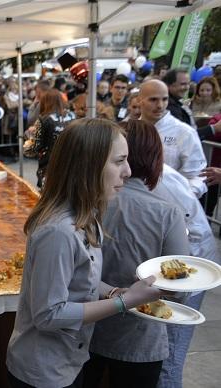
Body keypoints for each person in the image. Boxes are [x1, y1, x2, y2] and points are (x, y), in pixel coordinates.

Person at [6, 118, 162, 388]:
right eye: (119, 161)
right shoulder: (58, 232)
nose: (128, 171)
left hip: (69, 360)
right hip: (43, 372)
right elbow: (49, 315)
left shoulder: (86, 214)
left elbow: (80, 278)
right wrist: (124, 303)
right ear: (88, 165)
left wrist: (114, 292)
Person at [84, 120, 189, 388]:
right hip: (140, 339)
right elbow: (180, 289)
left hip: (87, 330)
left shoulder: (87, 204)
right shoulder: (167, 213)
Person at [139, 80, 207, 198]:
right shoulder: (128, 130)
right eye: (153, 99)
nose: (160, 105)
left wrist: (184, 199)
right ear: (140, 100)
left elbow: (196, 175)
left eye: (164, 99)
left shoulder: (185, 132)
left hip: (172, 203)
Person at [31, 88, 76, 188]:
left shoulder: (43, 119)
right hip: (72, 165)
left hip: (51, 165)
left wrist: (28, 136)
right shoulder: (73, 116)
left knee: (50, 198)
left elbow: (34, 147)